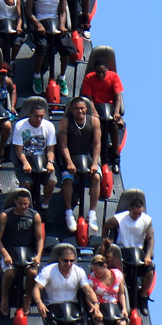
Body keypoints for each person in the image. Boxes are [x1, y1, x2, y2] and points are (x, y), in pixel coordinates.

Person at [32, 243, 101, 325]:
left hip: (72, 305)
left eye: (71, 261)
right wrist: (39, 303)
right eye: (65, 261)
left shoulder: (78, 271)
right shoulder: (48, 270)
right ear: (59, 259)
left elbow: (88, 290)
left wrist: (96, 303)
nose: (68, 264)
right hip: (53, 305)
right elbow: (36, 289)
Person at [0, 189, 44, 316]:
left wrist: (38, 256)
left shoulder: (34, 216)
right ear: (15, 202)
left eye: (26, 204)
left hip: (27, 252)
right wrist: (5, 254)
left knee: (32, 272)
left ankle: (27, 297)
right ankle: (5, 297)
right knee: (9, 273)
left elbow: (39, 238)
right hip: (10, 251)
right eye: (21, 204)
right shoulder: (5, 216)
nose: (23, 207)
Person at [25, 0, 72, 97]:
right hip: (40, 23)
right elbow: (28, 10)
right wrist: (37, 24)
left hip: (55, 23)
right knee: (42, 46)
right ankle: (37, 75)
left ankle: (62, 77)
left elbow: (62, 11)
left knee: (66, 48)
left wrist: (62, 25)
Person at [102, 198, 155, 314]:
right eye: (135, 213)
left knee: (150, 270)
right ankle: (122, 298)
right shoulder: (120, 218)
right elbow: (106, 226)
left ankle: (143, 296)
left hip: (138, 252)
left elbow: (151, 239)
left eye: (139, 213)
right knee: (120, 275)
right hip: (123, 251)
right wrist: (106, 244)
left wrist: (148, 255)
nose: (137, 216)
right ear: (130, 210)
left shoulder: (147, 220)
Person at [57, 97, 101, 235]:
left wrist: (94, 163)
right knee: (68, 179)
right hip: (71, 157)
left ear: (86, 109)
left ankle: (92, 213)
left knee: (97, 177)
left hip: (87, 157)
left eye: (82, 108)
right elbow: (63, 144)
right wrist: (69, 162)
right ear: (71, 109)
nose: (80, 111)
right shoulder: (65, 122)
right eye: (77, 109)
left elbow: (97, 144)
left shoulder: (94, 121)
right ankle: (69, 213)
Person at [12, 99, 57, 209]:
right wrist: (25, 163)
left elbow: (51, 149)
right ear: (30, 115)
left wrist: (50, 162)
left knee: (51, 182)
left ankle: (44, 205)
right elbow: (18, 149)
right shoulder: (20, 126)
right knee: (27, 184)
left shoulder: (49, 126)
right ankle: (28, 206)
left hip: (43, 160)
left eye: (41, 116)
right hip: (27, 160)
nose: (39, 119)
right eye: (36, 116)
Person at [80, 61, 124, 172]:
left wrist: (117, 112)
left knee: (113, 126)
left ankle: (115, 157)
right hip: (96, 107)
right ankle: (96, 155)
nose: (101, 75)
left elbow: (118, 96)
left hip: (110, 108)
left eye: (103, 72)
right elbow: (89, 99)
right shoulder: (89, 78)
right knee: (97, 127)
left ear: (107, 70)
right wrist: (94, 112)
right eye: (98, 72)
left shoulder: (114, 77)